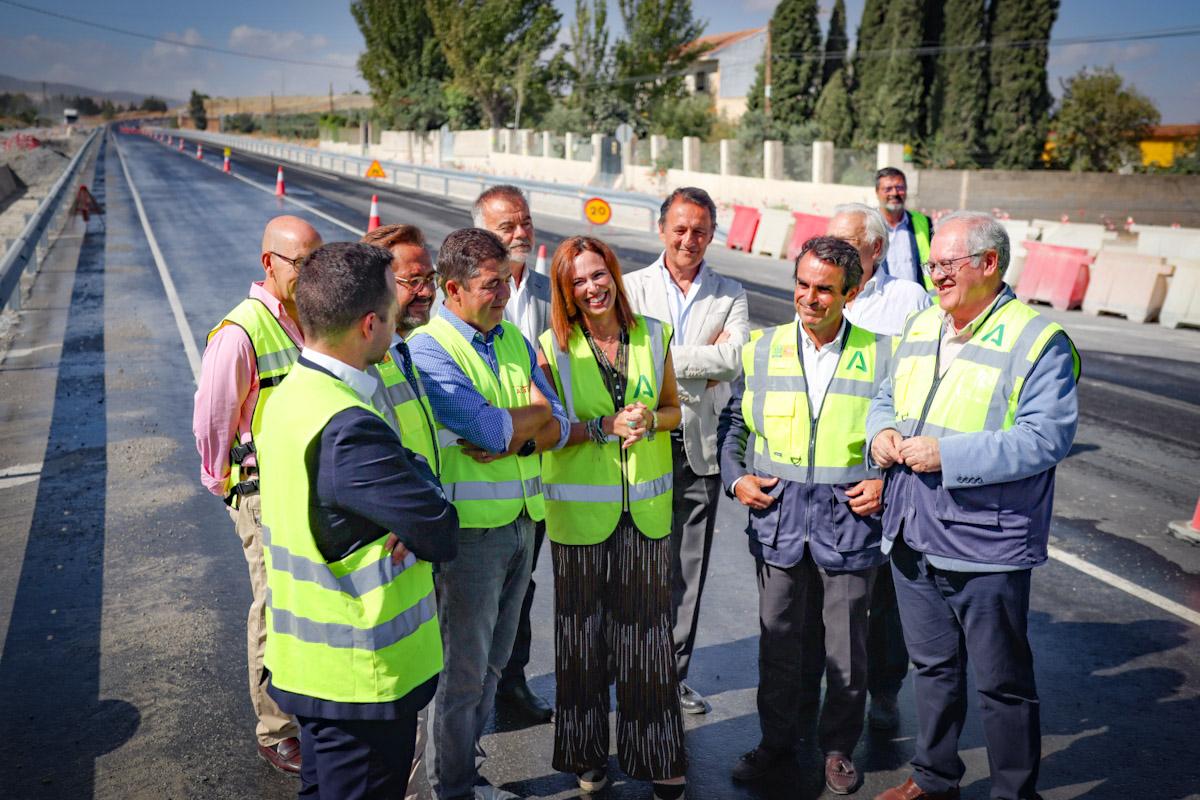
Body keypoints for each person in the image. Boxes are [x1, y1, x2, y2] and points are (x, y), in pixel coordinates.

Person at [868, 212, 1079, 800]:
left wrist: (948, 455)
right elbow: (886, 396)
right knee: (932, 669)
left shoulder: (1036, 340)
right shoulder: (922, 326)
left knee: (1002, 682)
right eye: (931, 264)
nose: (934, 275)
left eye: (945, 265)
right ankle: (934, 780)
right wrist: (880, 433)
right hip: (913, 529)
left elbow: (1045, 438)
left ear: (988, 264)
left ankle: (1014, 793)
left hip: (986, 541)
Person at [256, 242, 459, 799]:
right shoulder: (349, 424)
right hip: (361, 677)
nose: (397, 330)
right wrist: (419, 488)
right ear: (370, 324)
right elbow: (440, 526)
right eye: (393, 317)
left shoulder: (291, 396)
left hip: (307, 665)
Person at [719, 236, 891, 795]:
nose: (809, 298)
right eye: (802, 285)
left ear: (852, 292)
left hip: (848, 521)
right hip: (780, 517)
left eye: (824, 290)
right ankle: (776, 744)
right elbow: (734, 427)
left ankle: (837, 749)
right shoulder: (762, 349)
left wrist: (886, 481)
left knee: (846, 647)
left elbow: (904, 433)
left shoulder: (883, 352)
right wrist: (736, 477)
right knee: (779, 643)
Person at [408, 228, 569, 800]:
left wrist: (518, 431)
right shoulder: (429, 350)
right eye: (490, 284)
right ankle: (451, 787)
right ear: (452, 288)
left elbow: (559, 421)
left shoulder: (511, 338)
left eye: (505, 281)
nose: (504, 292)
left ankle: (466, 773)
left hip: (523, 524)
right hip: (472, 536)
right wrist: (521, 419)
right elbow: (485, 428)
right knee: (463, 674)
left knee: (496, 665)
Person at [536, 236, 687, 800]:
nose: (592, 287)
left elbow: (673, 407)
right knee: (581, 639)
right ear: (565, 292)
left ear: (614, 274)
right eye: (578, 281)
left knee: (648, 637)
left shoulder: (652, 334)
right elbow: (548, 428)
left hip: (645, 515)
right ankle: (587, 755)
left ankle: (660, 755)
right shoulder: (552, 346)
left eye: (599, 274)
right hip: (578, 517)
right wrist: (601, 429)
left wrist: (654, 419)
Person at [192, 214, 321, 775]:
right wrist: (230, 489)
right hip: (265, 493)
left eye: (319, 261)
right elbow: (211, 425)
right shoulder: (240, 333)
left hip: (316, 490)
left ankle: (309, 705)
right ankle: (275, 728)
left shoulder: (313, 317)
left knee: (312, 604)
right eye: (301, 264)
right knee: (273, 606)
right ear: (269, 263)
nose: (312, 273)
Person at [623, 186, 750, 715]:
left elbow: (736, 358)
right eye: (680, 228)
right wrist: (704, 357)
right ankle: (634, 674)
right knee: (638, 566)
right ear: (661, 230)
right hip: (642, 447)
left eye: (700, 230)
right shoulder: (631, 287)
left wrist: (665, 356)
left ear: (712, 235)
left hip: (698, 448)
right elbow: (626, 357)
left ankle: (671, 676)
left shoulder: (730, 292)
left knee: (686, 571)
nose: (689, 239)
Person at [826, 202, 930, 731]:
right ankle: (831, 695)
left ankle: (885, 688)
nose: (838, 252)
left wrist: (887, 474)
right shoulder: (821, 290)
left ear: (876, 250)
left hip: (881, 469)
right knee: (833, 596)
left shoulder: (906, 300)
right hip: (827, 471)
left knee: (885, 596)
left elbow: (915, 389)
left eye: (849, 245)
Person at [360, 223, 440, 800]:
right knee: (386, 709)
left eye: (429, 278)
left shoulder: (404, 353)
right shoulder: (364, 369)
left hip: (418, 548)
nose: (427, 290)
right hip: (387, 561)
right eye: (411, 281)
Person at [472, 185, 554, 723]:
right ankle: (468, 696)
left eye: (524, 222)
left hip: (541, 463)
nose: (520, 233)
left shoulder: (555, 293)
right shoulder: (459, 294)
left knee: (522, 586)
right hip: (478, 473)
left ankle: (511, 683)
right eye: (507, 227)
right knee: (474, 596)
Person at [828, 203, 932, 337]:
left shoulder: (910, 299)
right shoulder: (813, 295)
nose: (833, 250)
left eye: (845, 242)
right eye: (830, 241)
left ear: (876, 247)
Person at [875, 168, 933, 290]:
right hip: (882, 301)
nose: (894, 193)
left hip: (920, 301)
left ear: (906, 190)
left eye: (899, 187)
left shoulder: (923, 222)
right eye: (888, 189)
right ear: (877, 192)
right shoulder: (868, 225)